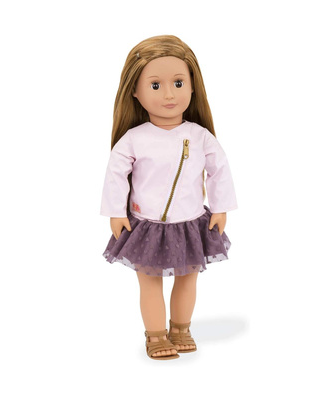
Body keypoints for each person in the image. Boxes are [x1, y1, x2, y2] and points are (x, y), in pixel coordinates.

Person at [100, 35, 238, 360]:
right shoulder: (133, 139)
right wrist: (116, 212)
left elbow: (219, 170)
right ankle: (155, 335)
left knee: (187, 281)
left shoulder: (199, 136)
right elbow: (115, 175)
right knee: (149, 283)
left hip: (190, 223)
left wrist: (221, 208)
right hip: (146, 226)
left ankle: (180, 329)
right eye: (155, 85)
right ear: (135, 91)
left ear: (192, 86)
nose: (169, 94)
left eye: (178, 83)